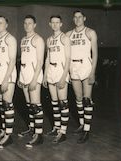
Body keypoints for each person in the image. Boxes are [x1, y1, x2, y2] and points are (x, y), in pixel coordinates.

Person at [66, 10, 98, 144]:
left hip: (86, 66)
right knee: (78, 98)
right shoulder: (68, 34)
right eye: (75, 17)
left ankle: (87, 130)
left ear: (84, 18)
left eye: (80, 17)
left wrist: (93, 72)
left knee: (86, 99)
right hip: (73, 67)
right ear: (73, 19)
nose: (78, 19)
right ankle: (81, 124)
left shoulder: (90, 32)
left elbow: (95, 54)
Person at [18, 15, 45, 148]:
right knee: (29, 104)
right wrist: (20, 77)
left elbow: (40, 62)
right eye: (25, 23)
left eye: (30, 23)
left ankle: (39, 135)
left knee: (35, 104)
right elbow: (23, 59)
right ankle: (33, 128)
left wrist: (35, 79)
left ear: (34, 25)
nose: (27, 25)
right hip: (24, 73)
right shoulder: (23, 39)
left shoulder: (38, 39)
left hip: (34, 74)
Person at [43, 15, 71, 144]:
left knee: (62, 102)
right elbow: (48, 58)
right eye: (52, 22)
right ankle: (57, 127)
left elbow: (68, 59)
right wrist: (44, 76)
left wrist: (64, 77)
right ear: (50, 24)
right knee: (54, 102)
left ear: (61, 24)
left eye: (57, 22)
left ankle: (63, 132)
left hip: (61, 71)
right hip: (51, 72)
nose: (55, 25)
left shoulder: (64, 38)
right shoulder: (48, 39)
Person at [0, 16, 17, 149]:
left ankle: (9, 135)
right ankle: (3, 130)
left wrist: (6, 79)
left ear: (6, 24)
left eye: (1, 22)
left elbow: (12, 61)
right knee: (1, 104)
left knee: (7, 104)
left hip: (8, 73)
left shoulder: (10, 39)